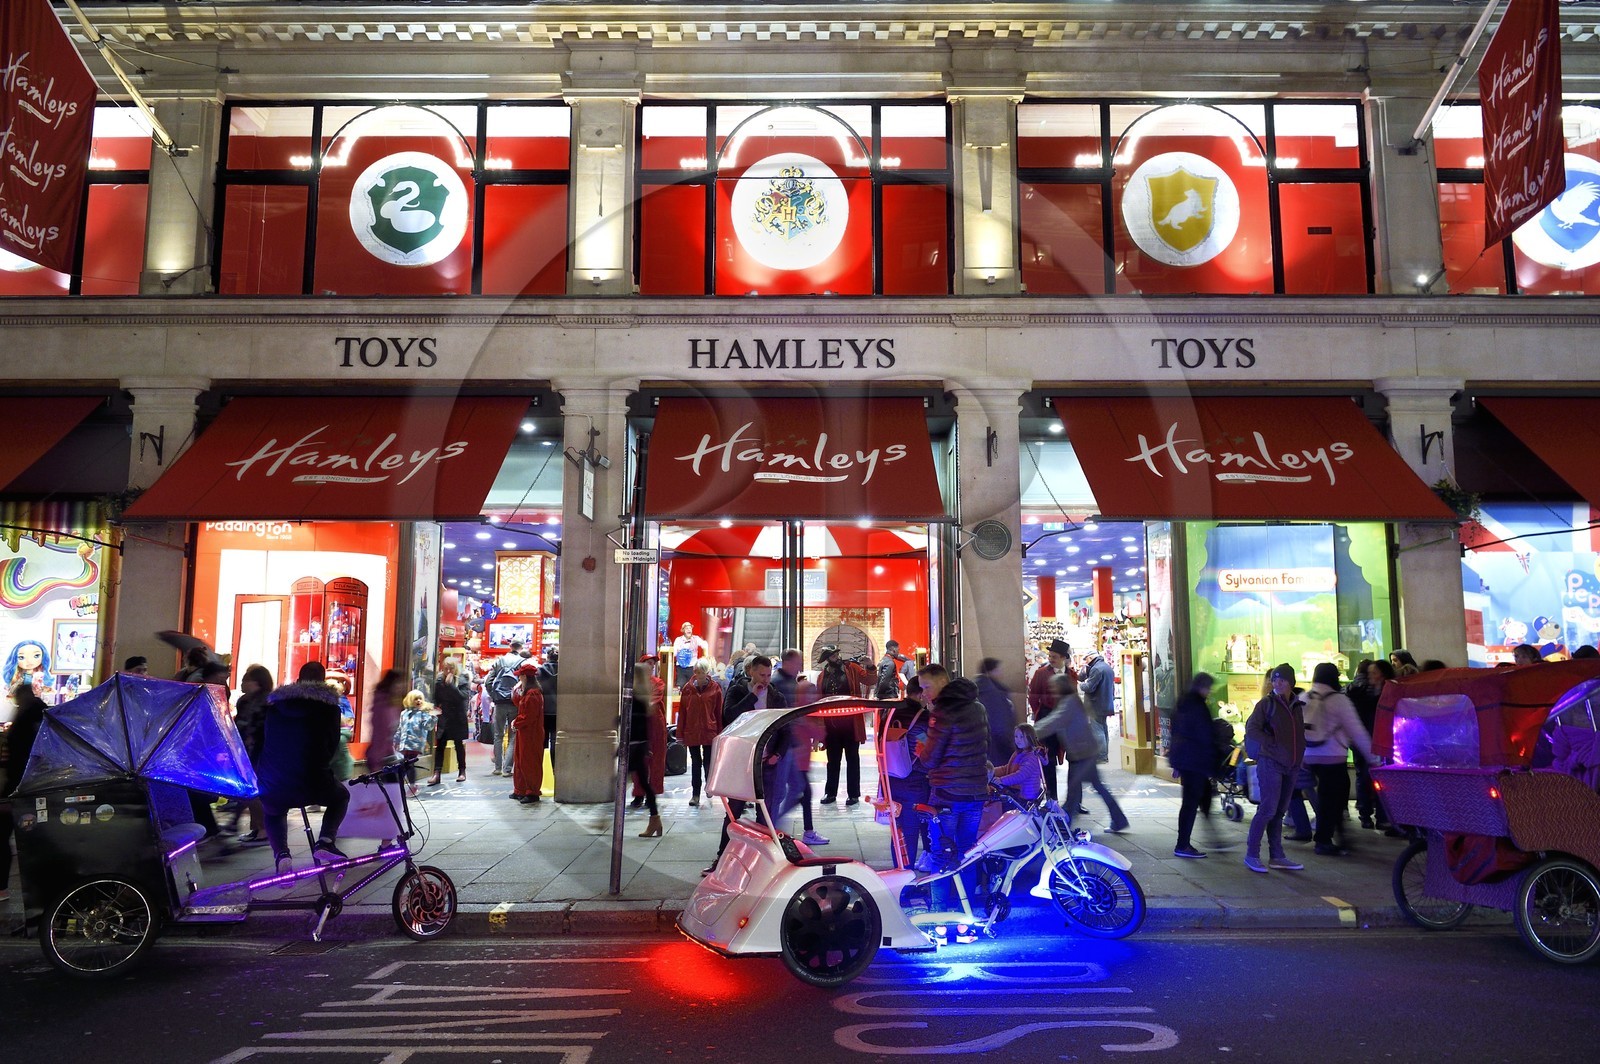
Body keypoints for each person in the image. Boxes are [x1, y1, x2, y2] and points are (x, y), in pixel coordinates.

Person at [257, 661, 350, 875]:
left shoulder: (275, 707)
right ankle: (326, 841)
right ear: (322, 682)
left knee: (274, 811)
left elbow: (265, 738)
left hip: (274, 778)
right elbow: (331, 745)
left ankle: (282, 854)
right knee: (340, 797)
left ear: (298, 680)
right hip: (312, 778)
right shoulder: (330, 709)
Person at [917, 664, 990, 897]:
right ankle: (965, 908)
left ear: (942, 682)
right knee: (967, 849)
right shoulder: (978, 708)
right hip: (975, 792)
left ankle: (940, 912)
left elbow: (930, 760)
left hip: (947, 794)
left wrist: (921, 748)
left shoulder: (942, 713)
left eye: (927, 687)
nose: (924, 693)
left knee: (941, 851)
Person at [1302, 662, 1375, 857]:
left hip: (1308, 756)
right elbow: (1357, 731)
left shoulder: (1304, 697)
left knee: (1330, 797)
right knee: (1333, 798)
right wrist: (1373, 758)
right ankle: (1325, 840)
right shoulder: (1339, 700)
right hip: (1333, 757)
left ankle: (1336, 835)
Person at [1044, 672, 1129, 833]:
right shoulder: (1071, 701)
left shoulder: (1068, 703)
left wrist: (1031, 732)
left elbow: (1053, 722)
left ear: (1060, 687)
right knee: (1094, 788)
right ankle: (1119, 820)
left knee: (1074, 793)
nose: (1051, 689)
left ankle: (1063, 828)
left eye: (1054, 686)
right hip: (1085, 753)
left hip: (1083, 755)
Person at [1243, 663, 1306, 873]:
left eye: (1282, 680)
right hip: (1270, 762)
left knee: (1279, 811)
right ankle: (1252, 854)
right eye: (1275, 679)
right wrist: (1271, 743)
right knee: (1268, 809)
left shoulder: (1297, 706)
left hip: (1291, 765)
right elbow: (1252, 728)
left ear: (1291, 683)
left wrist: (1299, 758)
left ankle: (1277, 856)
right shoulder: (1266, 704)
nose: (1277, 683)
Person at [0, 684, 47, 901]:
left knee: (3, 834)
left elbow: (20, 755)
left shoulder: (29, 716)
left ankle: (2, 887)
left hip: (21, 786)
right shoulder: (38, 714)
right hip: (31, 785)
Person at [1168, 672, 1221, 858]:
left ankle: (1213, 839)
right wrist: (1212, 763)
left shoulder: (1182, 703)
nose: (1209, 692)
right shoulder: (1198, 706)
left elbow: (1176, 732)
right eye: (1208, 688)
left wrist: (1175, 762)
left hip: (1186, 760)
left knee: (1197, 800)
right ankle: (1183, 845)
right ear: (1202, 687)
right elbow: (1204, 736)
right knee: (1191, 803)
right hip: (1195, 761)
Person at [883, 677, 931, 867]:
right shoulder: (922, 717)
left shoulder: (891, 713)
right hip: (914, 780)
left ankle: (898, 870)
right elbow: (926, 748)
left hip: (891, 779)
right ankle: (907, 878)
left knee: (897, 830)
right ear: (920, 693)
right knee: (911, 830)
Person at [816, 645, 870, 806]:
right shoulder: (822, 675)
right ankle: (830, 792)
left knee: (852, 759)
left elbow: (869, 679)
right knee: (832, 760)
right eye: (833, 655)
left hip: (850, 722)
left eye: (837, 653)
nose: (836, 657)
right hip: (830, 724)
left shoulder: (851, 668)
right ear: (827, 658)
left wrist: (871, 666)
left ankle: (853, 794)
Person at [1027, 639, 1073, 801]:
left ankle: (1074, 800)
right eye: (1050, 655)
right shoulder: (1041, 674)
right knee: (1049, 759)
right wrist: (1041, 715)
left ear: (1063, 658)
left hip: (1067, 723)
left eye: (1054, 656)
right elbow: (1033, 697)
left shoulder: (1071, 674)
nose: (1051, 659)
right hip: (1048, 719)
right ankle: (1052, 797)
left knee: (1074, 760)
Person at [233, 664, 274, 844]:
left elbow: (262, 727)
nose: (242, 684)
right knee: (248, 791)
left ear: (257, 682)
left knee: (253, 791)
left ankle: (263, 829)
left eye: (246, 680)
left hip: (259, 751)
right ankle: (256, 827)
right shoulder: (245, 701)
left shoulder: (266, 701)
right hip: (244, 750)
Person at [677, 658, 724, 807]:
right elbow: (683, 712)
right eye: (696, 672)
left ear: (706, 672)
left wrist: (720, 732)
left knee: (709, 762)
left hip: (709, 731)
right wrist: (680, 734)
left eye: (701, 672)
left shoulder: (715, 688)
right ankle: (695, 794)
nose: (698, 674)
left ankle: (709, 787)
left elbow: (718, 712)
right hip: (692, 731)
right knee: (696, 763)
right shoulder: (687, 689)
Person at [1364, 659, 1399, 833]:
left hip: (1388, 743)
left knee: (1387, 782)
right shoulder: (1369, 693)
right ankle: (1384, 817)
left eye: (1374, 673)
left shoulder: (1389, 693)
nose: (1370, 676)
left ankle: (1389, 818)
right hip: (1377, 742)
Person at [629, 662, 663, 838]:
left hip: (635, 744)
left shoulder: (637, 696)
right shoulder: (642, 695)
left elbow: (637, 723)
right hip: (638, 744)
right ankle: (655, 819)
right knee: (644, 783)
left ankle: (602, 820)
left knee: (619, 780)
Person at [484, 642, 527, 778]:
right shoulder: (522, 662)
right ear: (520, 648)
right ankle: (507, 769)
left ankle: (497, 767)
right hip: (515, 702)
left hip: (499, 702)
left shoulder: (499, 661)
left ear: (510, 648)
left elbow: (488, 682)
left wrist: (494, 695)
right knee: (513, 736)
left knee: (498, 735)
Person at [631, 655, 667, 807]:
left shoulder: (658, 683)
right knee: (640, 762)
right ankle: (639, 794)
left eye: (653, 664)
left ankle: (651, 794)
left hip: (655, 725)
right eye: (649, 663)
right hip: (642, 725)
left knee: (656, 760)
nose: (652, 666)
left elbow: (653, 700)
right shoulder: (634, 685)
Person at [428, 660, 470, 785]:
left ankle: (462, 771)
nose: (448, 671)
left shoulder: (463, 679)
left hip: (457, 716)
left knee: (458, 745)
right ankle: (436, 773)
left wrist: (451, 685)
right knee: (440, 744)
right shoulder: (439, 680)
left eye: (450, 669)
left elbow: (461, 696)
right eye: (446, 668)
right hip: (444, 716)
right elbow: (435, 697)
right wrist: (435, 707)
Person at [510, 660, 545, 804]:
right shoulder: (530, 692)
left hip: (530, 733)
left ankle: (532, 792)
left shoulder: (533, 694)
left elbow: (528, 716)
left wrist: (516, 723)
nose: (519, 678)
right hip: (525, 732)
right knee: (520, 761)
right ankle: (521, 790)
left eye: (521, 676)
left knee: (529, 762)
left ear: (525, 677)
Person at [974, 657, 1018, 767]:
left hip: (977, 751)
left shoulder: (974, 690)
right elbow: (1001, 725)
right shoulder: (994, 694)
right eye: (999, 670)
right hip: (998, 751)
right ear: (990, 672)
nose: (1002, 672)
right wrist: (1011, 747)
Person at [394, 690, 436, 796]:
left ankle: (412, 786)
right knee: (404, 764)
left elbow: (428, 726)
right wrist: (396, 739)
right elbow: (400, 728)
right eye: (416, 699)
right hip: (404, 743)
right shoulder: (404, 713)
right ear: (410, 700)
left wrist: (433, 717)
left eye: (420, 699)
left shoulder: (423, 713)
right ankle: (402, 786)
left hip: (415, 743)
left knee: (409, 763)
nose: (418, 701)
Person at [992, 723, 1046, 803]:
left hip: (1027, 795)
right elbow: (1008, 768)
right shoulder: (1019, 753)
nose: (1018, 740)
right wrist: (992, 771)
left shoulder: (1031, 756)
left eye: (1022, 737)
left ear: (1029, 738)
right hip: (1018, 791)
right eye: (1016, 736)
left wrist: (1001, 780)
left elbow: (1021, 775)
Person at [1078, 651, 1116, 763]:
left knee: (1097, 730)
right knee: (1103, 728)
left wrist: (1079, 685)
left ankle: (1101, 756)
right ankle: (1104, 755)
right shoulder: (1106, 667)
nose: (1086, 662)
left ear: (1090, 657)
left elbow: (1089, 687)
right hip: (1105, 703)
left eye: (1086, 659)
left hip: (1096, 704)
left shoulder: (1096, 669)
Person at [365, 669, 405, 772]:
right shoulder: (382, 705)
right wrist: (376, 761)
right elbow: (380, 735)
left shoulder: (393, 704)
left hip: (390, 756)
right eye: (399, 683)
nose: (402, 686)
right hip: (382, 759)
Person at [671, 621, 709, 689]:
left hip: (692, 667)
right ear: (683, 630)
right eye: (686, 628)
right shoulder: (678, 640)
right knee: (681, 686)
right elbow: (674, 652)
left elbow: (705, 644)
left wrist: (705, 656)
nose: (689, 630)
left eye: (690, 628)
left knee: (693, 686)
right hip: (681, 667)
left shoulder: (696, 639)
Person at [536, 647, 559, 751]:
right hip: (558, 709)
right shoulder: (565, 671)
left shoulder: (539, 671)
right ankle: (554, 764)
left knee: (542, 738)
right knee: (555, 739)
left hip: (543, 709)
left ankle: (542, 764)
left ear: (547, 657)